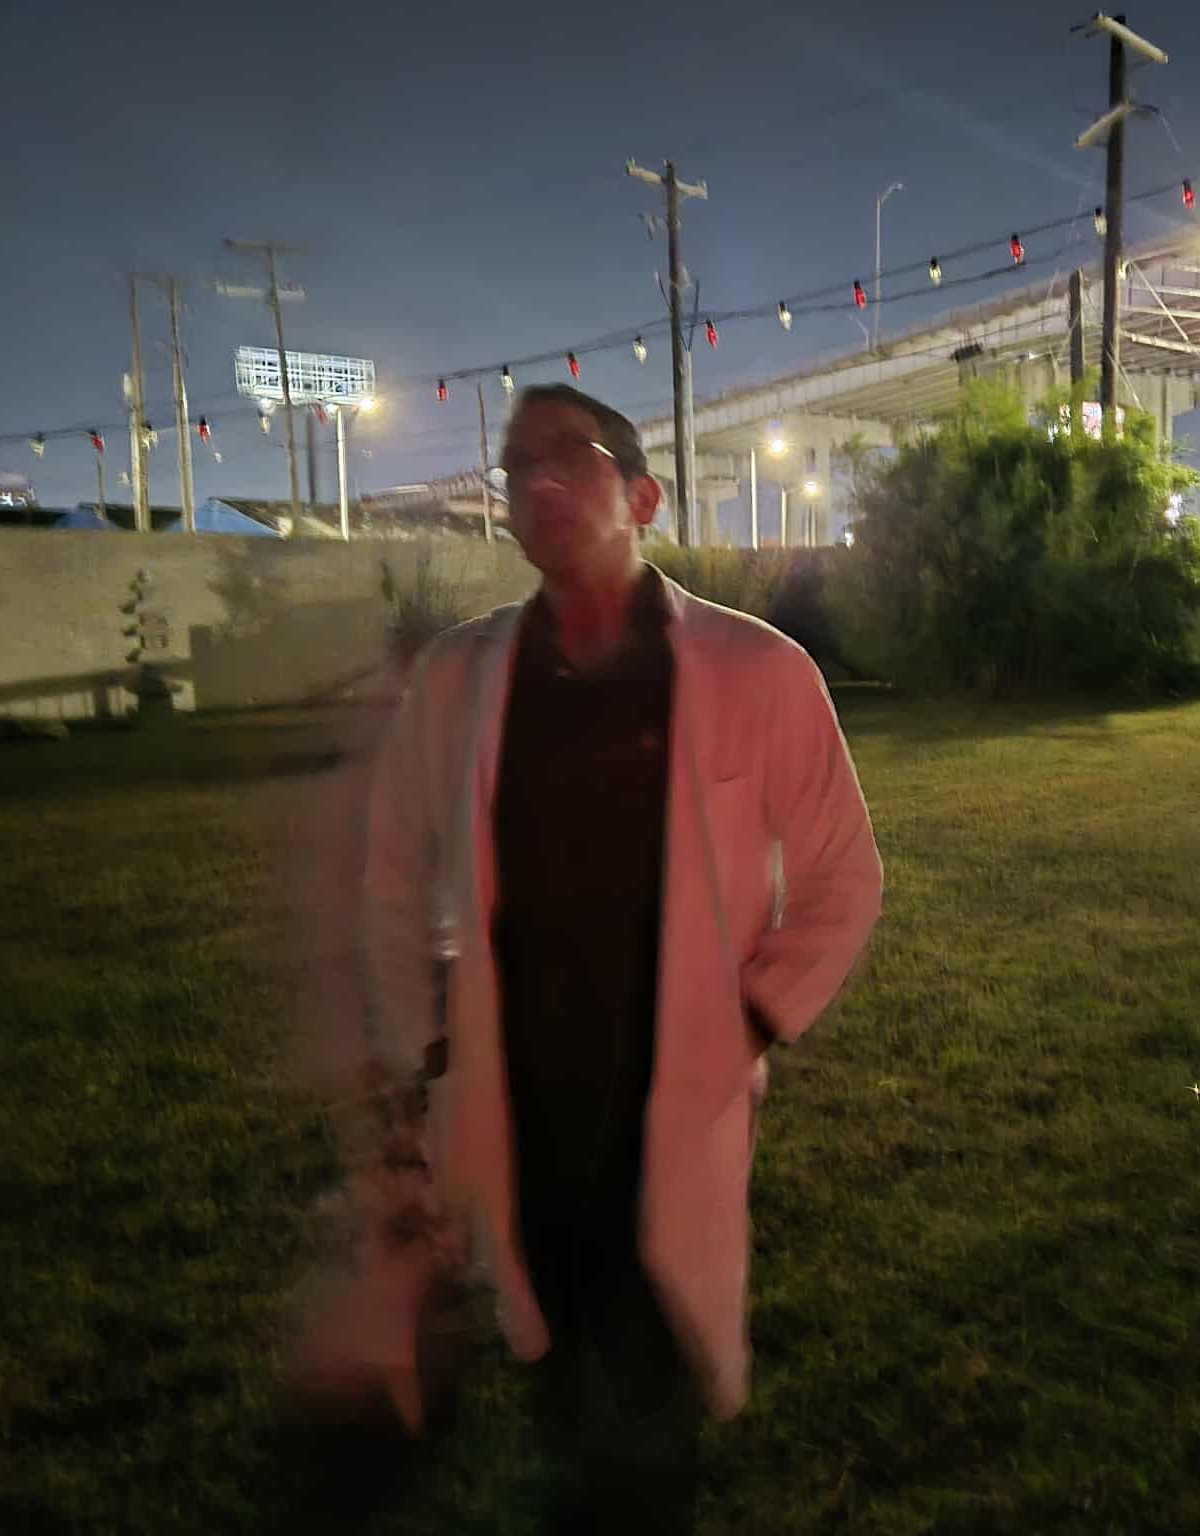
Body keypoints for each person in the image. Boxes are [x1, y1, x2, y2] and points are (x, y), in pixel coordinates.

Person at [361, 384, 883, 1532]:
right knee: (545, 1324)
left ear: (643, 497)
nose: (538, 479)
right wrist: (429, 1035)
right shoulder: (458, 679)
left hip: (673, 1086)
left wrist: (751, 1019)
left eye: (570, 454)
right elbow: (393, 869)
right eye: (516, 466)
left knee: (653, 1348)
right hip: (514, 1084)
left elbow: (844, 877)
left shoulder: (755, 670)